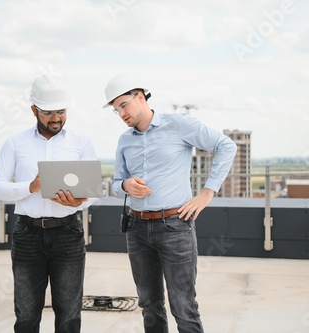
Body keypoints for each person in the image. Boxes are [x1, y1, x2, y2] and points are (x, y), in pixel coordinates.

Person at [103, 74, 237, 333]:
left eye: (123, 105)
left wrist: (207, 192)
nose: (120, 113)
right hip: (137, 229)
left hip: (175, 227)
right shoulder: (124, 141)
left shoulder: (179, 125)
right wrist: (124, 186)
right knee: (149, 305)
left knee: (183, 306)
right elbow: (115, 184)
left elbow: (225, 146)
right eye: (115, 109)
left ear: (140, 97)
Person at [0, 74, 98, 333]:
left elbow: (93, 190)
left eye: (61, 111)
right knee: (26, 315)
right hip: (28, 234)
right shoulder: (16, 143)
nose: (56, 118)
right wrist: (31, 187)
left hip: (68, 234)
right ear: (34, 110)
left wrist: (79, 202)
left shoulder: (80, 142)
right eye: (48, 112)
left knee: (70, 315)